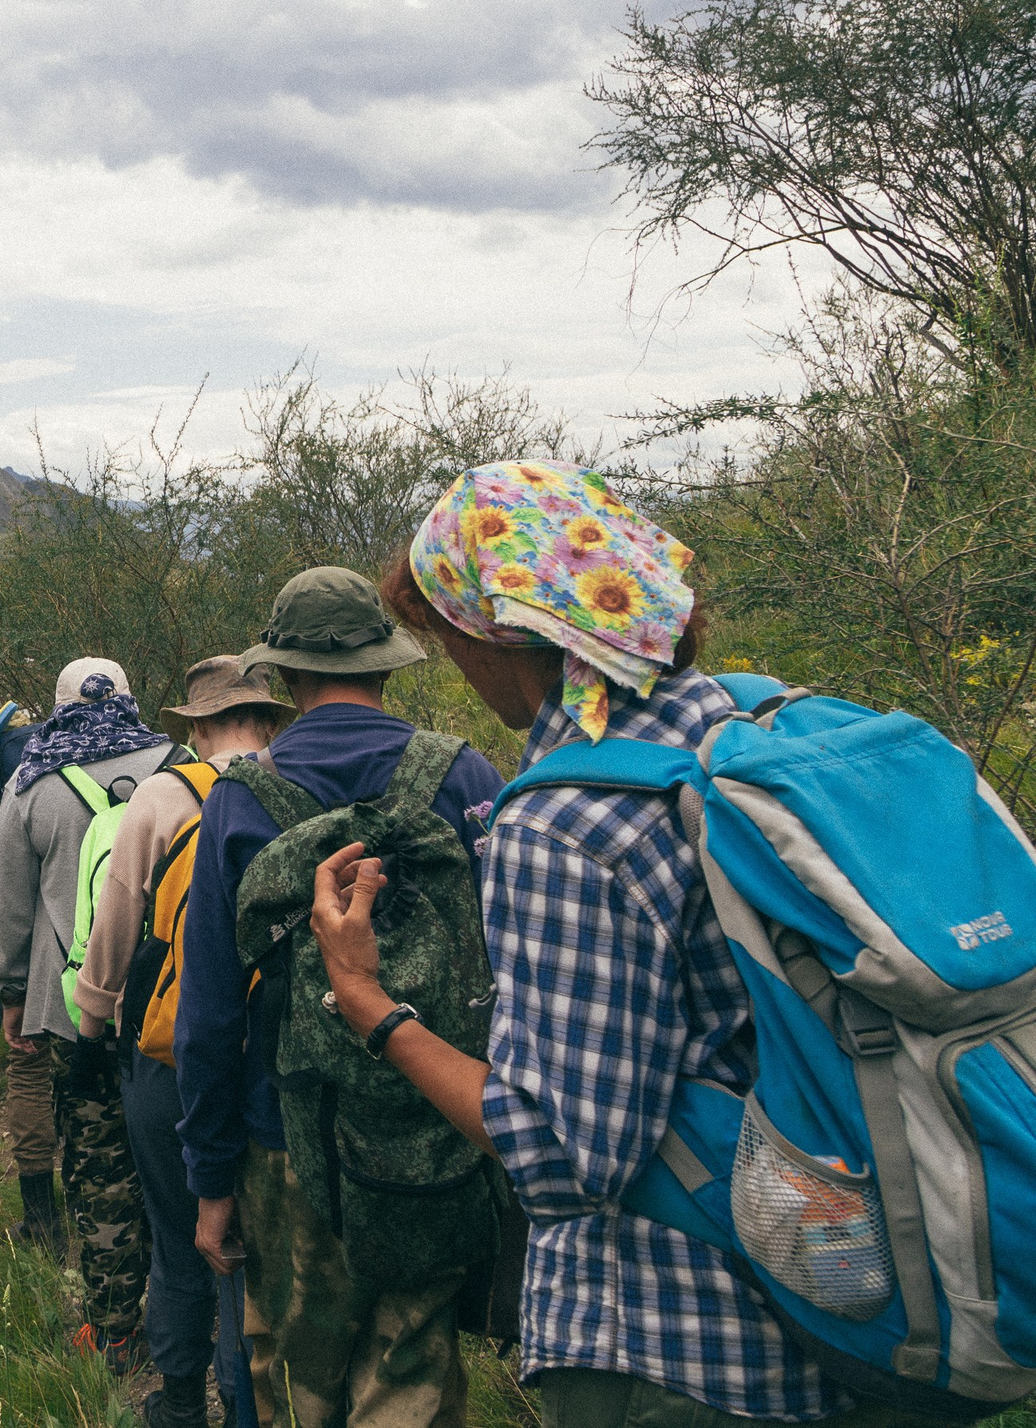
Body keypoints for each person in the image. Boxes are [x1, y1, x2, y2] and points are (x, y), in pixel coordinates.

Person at [308, 462, 879, 1428]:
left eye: (453, 641)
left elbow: (567, 1161)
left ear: (499, 632)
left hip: (676, 1344)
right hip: (850, 1294)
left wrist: (368, 1002)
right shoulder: (759, 725)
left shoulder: (568, 820)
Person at [174, 568, 502, 1428]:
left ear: (281, 675)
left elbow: (207, 1011)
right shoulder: (465, 777)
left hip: (284, 1135)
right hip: (432, 1122)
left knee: (296, 1379)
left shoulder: (240, 801)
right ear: (386, 666)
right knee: (415, 1364)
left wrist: (211, 1179)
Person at [61, 655, 292, 1427]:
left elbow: (115, 929)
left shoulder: (164, 796)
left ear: (195, 727)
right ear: (268, 719)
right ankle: (261, 1398)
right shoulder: (293, 788)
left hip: (169, 1057)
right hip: (277, 1057)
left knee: (179, 1232)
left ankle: (184, 1402)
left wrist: (91, 1025)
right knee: (265, 1244)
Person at [0, 656, 179, 1371]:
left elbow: (10, 902)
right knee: (168, 1150)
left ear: (57, 705)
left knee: (98, 1165)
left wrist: (10, 994)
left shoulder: (31, 782)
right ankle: (178, 1307)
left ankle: (114, 1329)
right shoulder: (177, 763)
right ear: (130, 698)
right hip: (165, 1001)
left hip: (71, 1010)